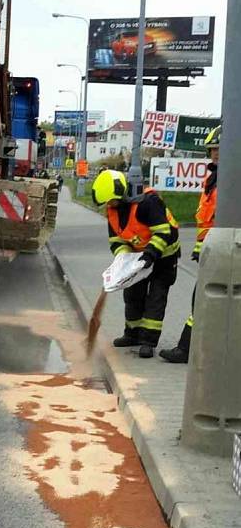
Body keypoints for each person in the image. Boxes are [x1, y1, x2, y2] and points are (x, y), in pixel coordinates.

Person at [91, 169, 180, 358]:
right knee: (132, 294)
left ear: (122, 194)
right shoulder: (113, 210)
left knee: (156, 298)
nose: (109, 205)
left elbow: (163, 232)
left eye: (111, 201)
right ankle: (132, 334)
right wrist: (123, 260)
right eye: (106, 203)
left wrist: (149, 256)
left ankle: (148, 342)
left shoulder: (148, 203)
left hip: (164, 257)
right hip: (137, 259)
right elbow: (116, 240)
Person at [159, 125, 220, 364]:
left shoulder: (231, 178)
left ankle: (187, 349)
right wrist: (199, 246)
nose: (215, 153)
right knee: (205, 299)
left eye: (219, 149)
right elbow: (206, 217)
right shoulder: (212, 178)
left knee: (203, 299)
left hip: (224, 248)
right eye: (212, 149)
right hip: (213, 248)